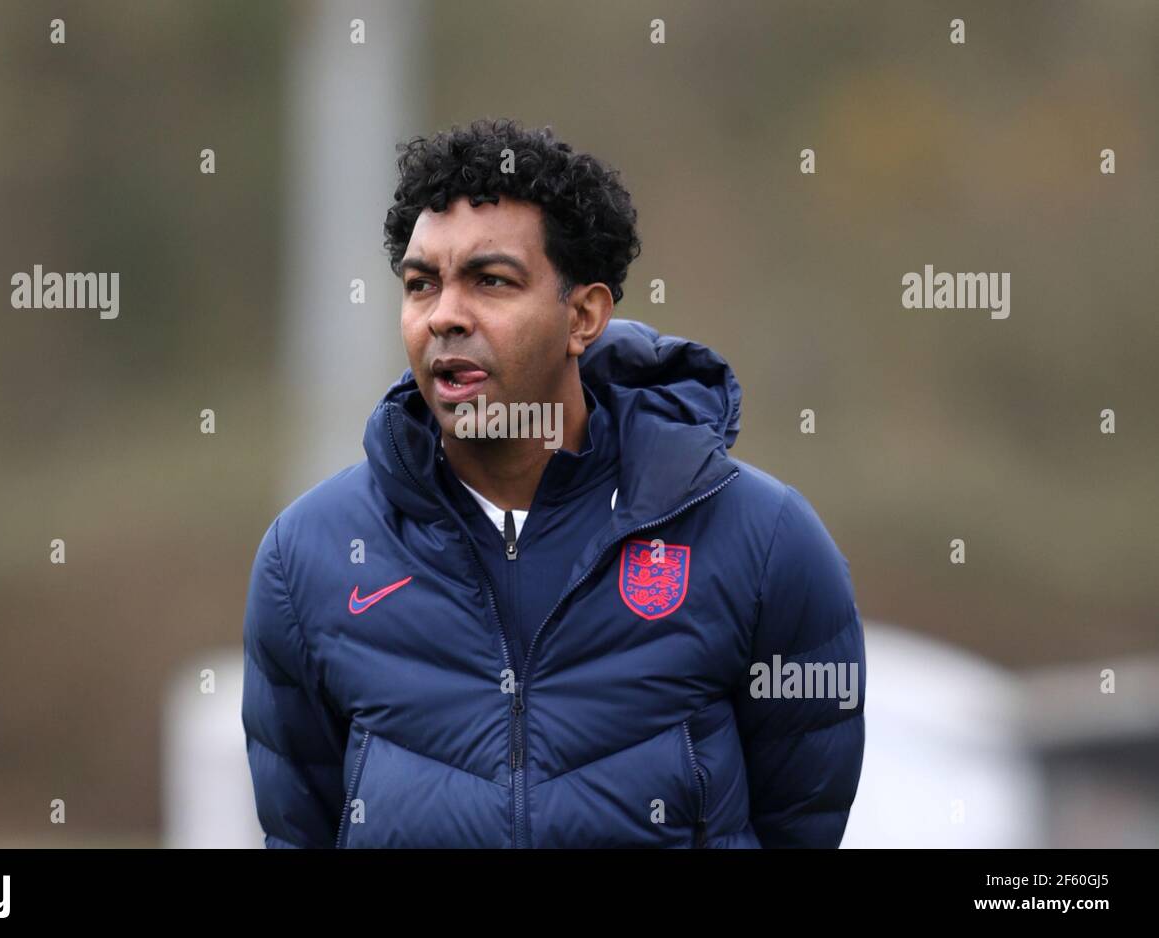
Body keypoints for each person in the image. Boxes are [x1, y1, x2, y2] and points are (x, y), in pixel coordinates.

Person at [241, 118, 865, 848]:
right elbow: (298, 830)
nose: (444, 316)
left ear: (583, 315)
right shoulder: (308, 556)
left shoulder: (761, 541)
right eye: (421, 285)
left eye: (490, 281)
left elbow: (802, 822)